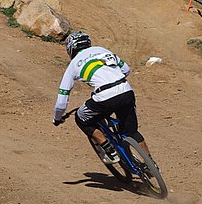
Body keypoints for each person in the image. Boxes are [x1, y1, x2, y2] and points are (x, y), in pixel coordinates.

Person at [53, 31, 152, 164]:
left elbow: (61, 101)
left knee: (81, 118)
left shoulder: (73, 65)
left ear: (70, 48)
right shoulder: (102, 50)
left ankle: (110, 151)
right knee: (132, 132)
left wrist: (57, 118)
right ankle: (151, 164)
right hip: (126, 90)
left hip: (105, 97)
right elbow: (126, 70)